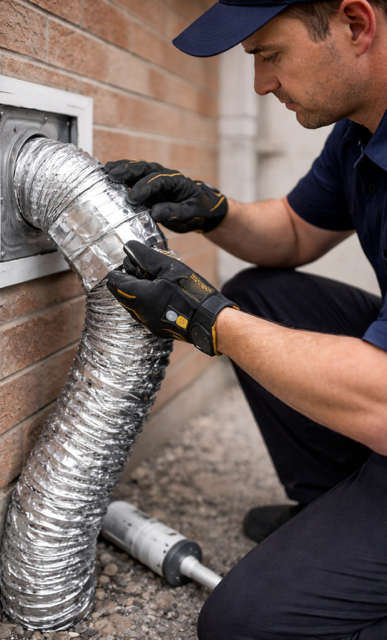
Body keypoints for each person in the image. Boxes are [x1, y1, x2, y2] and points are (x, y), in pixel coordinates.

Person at [105, 0, 387, 637]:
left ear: (355, 24)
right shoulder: (363, 130)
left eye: (269, 55)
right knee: (264, 295)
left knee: (245, 623)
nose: (261, 85)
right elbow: (291, 232)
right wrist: (213, 211)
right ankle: (338, 506)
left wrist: (210, 321)